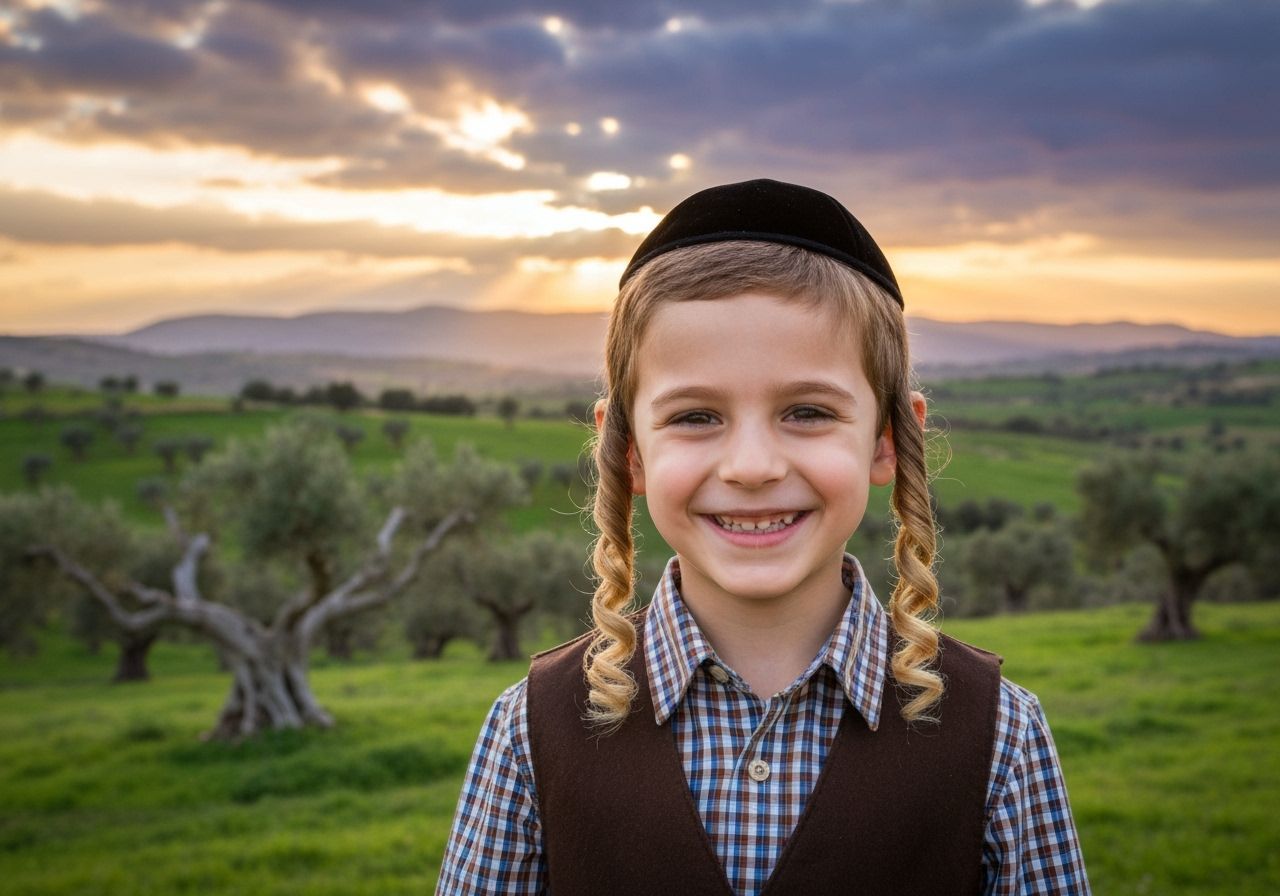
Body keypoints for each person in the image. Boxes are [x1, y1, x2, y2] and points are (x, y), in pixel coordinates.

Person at [436, 179, 1090, 895]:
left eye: (807, 412)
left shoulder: (999, 736)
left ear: (886, 441)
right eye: (695, 417)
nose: (752, 467)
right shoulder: (529, 734)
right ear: (630, 451)